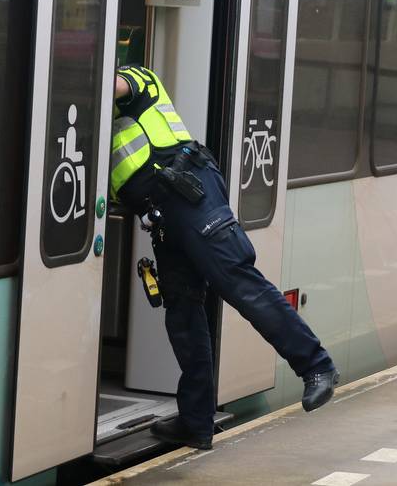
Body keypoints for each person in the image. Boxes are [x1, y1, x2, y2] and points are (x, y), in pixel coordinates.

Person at [110, 65, 339, 450]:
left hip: (190, 191)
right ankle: (196, 422)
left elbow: (111, 83)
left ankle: (317, 366)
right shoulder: (102, 129)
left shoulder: (138, 78)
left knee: (238, 282)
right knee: (182, 313)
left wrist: (75, 74)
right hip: (162, 217)